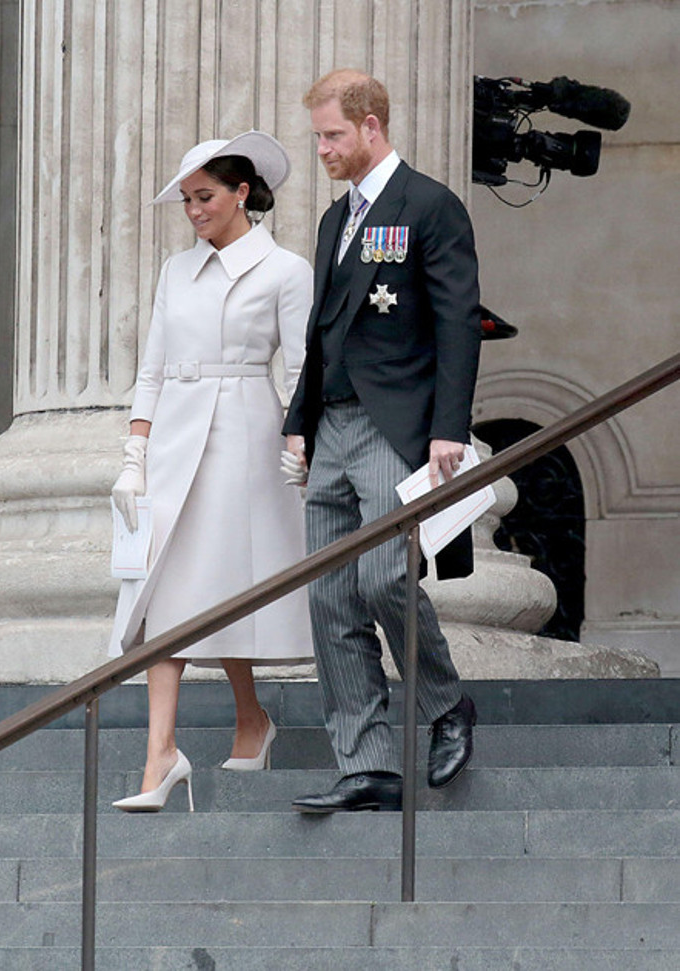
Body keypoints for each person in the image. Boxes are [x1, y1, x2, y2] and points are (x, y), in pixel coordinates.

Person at [281, 69, 481, 813]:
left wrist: (448, 429)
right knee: (330, 595)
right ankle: (366, 762)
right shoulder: (337, 219)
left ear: (372, 126)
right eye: (319, 137)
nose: (324, 149)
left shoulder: (430, 205)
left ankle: (444, 706)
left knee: (383, 577)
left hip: (394, 427)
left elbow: (460, 322)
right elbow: (321, 332)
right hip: (330, 426)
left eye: (333, 135)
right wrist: (298, 422)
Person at [109, 131, 313, 812]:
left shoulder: (286, 270)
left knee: (220, 586)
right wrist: (134, 454)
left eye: (205, 196)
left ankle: (249, 717)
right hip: (174, 438)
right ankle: (161, 754)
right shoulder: (175, 271)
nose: (194, 210)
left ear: (242, 193)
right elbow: (153, 365)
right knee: (164, 586)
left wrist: (300, 437)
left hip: (245, 439)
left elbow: (306, 365)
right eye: (188, 199)